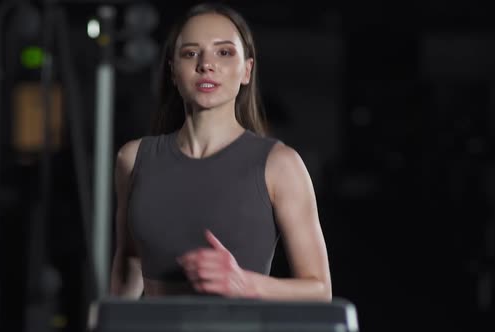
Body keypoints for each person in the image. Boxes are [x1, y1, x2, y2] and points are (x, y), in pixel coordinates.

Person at [110, 2, 331, 301]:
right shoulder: (133, 159)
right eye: (190, 53)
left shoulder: (280, 165)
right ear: (173, 71)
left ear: (246, 71)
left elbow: (319, 290)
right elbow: (130, 265)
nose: (206, 64)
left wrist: (246, 284)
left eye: (224, 52)